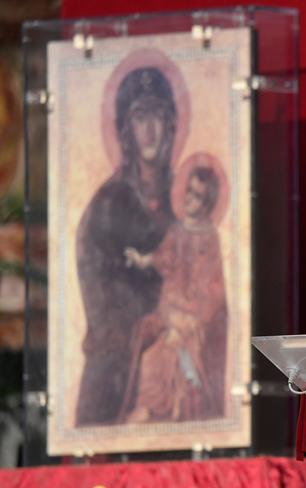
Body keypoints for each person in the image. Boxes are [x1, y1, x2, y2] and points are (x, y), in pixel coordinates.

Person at [75, 67, 177, 425]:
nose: (150, 129)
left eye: (158, 116)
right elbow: (98, 290)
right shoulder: (107, 204)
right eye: (140, 117)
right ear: (126, 129)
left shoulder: (186, 194)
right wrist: (145, 317)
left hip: (174, 342)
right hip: (119, 360)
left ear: (171, 124)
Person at [119, 164, 228, 422]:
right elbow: (162, 257)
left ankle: (154, 408)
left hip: (194, 319)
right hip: (169, 310)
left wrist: (189, 321)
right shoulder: (177, 230)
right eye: (188, 191)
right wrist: (142, 259)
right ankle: (148, 406)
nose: (190, 199)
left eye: (198, 196)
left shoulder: (210, 237)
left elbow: (213, 290)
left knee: (158, 357)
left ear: (208, 203)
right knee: (143, 341)